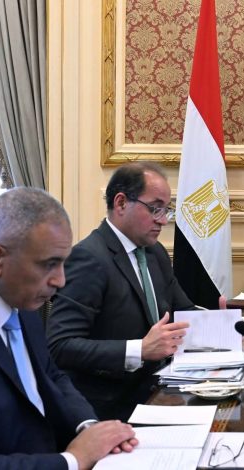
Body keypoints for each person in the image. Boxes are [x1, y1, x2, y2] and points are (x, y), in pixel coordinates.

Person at [0, 188, 137, 469]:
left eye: (63, 263)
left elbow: (50, 375)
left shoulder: (20, 298)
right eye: (49, 265)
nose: (60, 281)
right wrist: (73, 460)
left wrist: (89, 428)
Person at [47, 162, 209, 421]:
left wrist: (224, 323)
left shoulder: (154, 252)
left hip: (161, 393)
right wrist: (139, 349)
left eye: (166, 210)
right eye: (155, 208)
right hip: (110, 409)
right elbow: (60, 346)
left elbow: (184, 311)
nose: (163, 220)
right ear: (121, 203)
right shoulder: (89, 258)